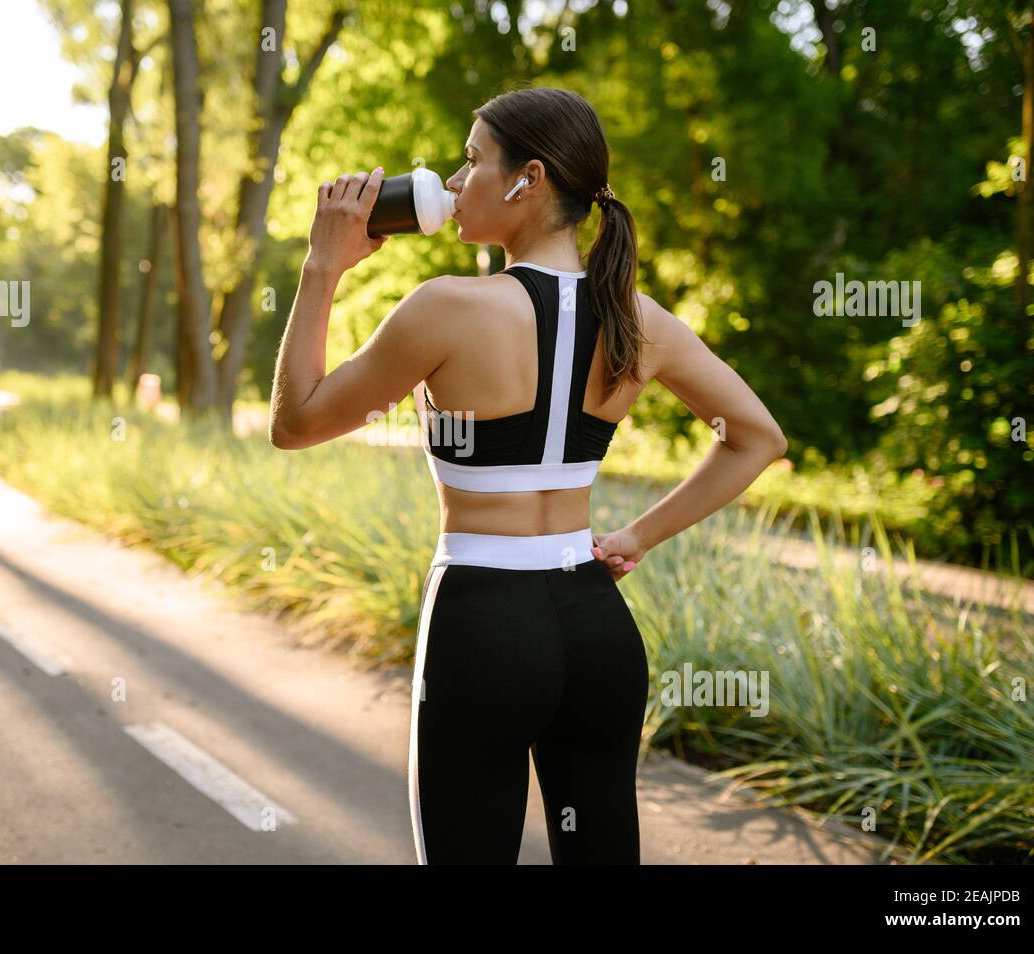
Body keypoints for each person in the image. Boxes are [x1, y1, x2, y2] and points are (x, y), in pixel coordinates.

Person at [269, 86, 787, 864]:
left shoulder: (444, 309)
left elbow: (295, 422)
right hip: (596, 627)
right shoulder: (640, 321)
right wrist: (639, 537)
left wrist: (321, 265)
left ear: (528, 178)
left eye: (473, 158)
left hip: (483, 625)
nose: (453, 178)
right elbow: (757, 438)